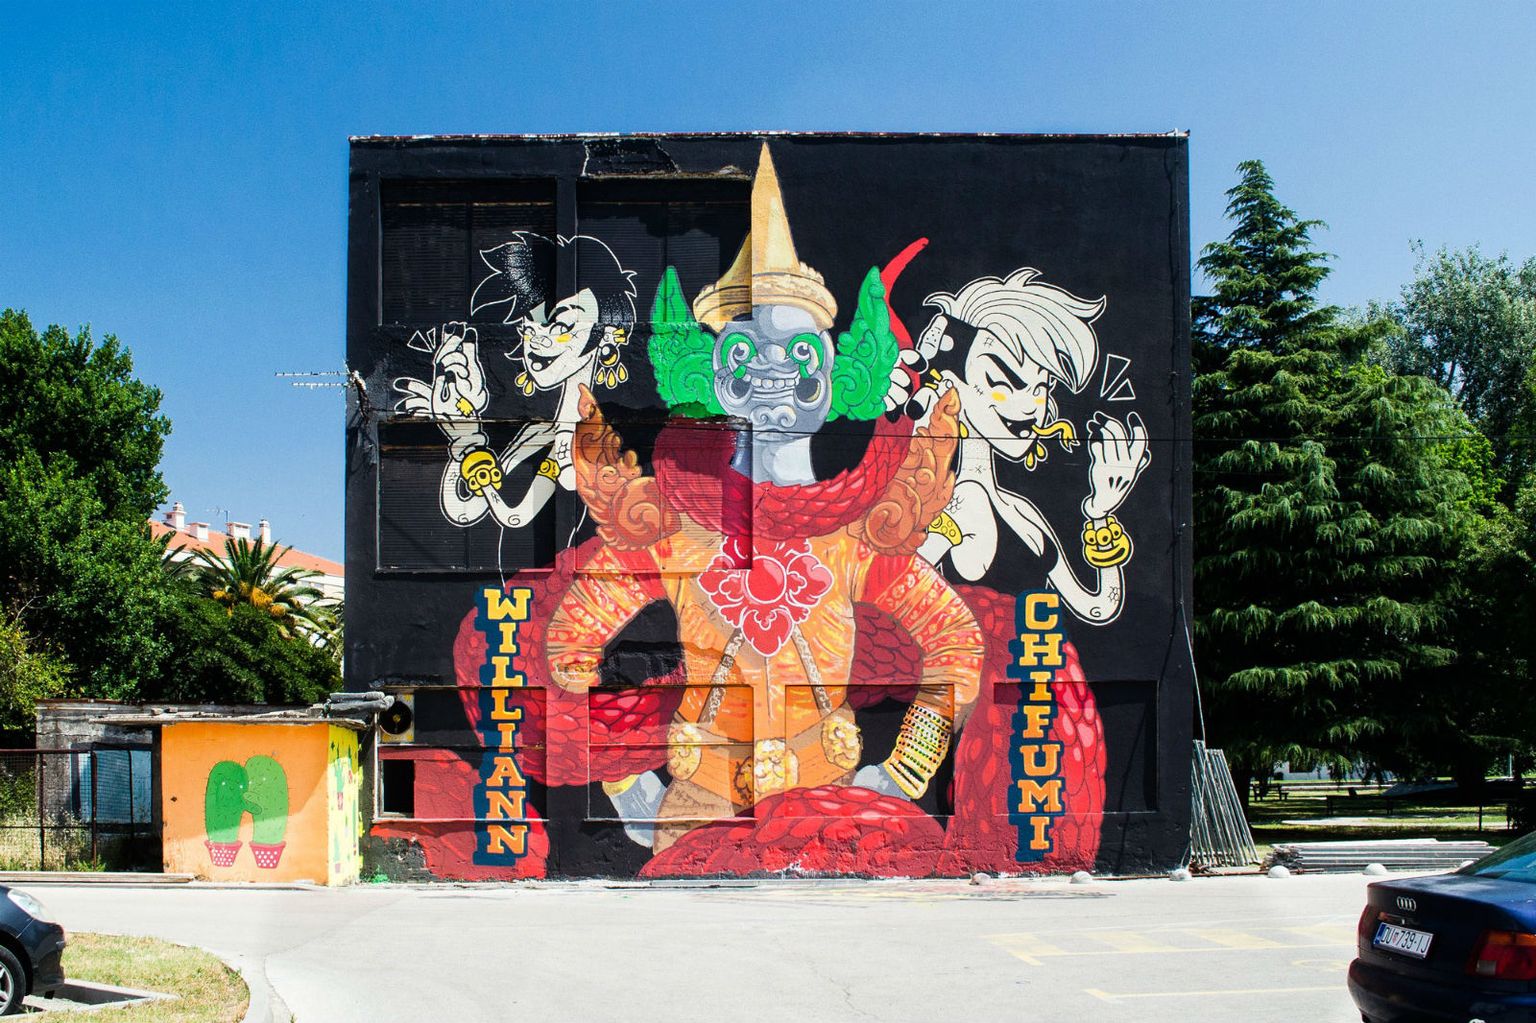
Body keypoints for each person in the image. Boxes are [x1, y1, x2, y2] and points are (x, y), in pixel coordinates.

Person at [899, 267, 1152, 625]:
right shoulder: (956, 504)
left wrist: (1099, 512)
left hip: (1034, 660)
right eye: (1003, 383)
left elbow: (1098, 607)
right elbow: (895, 601)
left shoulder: (1022, 511)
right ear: (952, 384)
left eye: (1041, 388)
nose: (1032, 406)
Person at [391, 232, 637, 537]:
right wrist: (465, 431)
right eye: (529, 325)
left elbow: (514, 514)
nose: (538, 338)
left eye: (561, 326)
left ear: (608, 335)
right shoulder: (539, 435)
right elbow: (474, 510)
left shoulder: (605, 439)